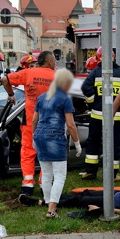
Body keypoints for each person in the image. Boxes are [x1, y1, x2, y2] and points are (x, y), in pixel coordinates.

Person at [2, 51, 56, 197]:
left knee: (27, 152)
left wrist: (11, 95)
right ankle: (45, 183)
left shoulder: (28, 73)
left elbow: (5, 80)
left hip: (30, 121)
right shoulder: (56, 77)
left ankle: (27, 185)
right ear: (50, 62)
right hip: (50, 122)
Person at [29, 69, 80, 218]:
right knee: (59, 176)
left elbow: (34, 120)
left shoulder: (42, 97)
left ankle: (47, 201)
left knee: (46, 174)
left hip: (39, 136)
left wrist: (34, 137)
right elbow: (70, 125)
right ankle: (51, 210)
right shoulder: (65, 99)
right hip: (55, 138)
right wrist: (76, 143)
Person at [80, 47, 120, 180]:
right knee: (115, 144)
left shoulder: (96, 72)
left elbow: (86, 89)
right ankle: (112, 174)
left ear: (98, 58)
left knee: (94, 141)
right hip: (117, 116)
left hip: (97, 115)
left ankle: (91, 171)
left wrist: (91, 103)